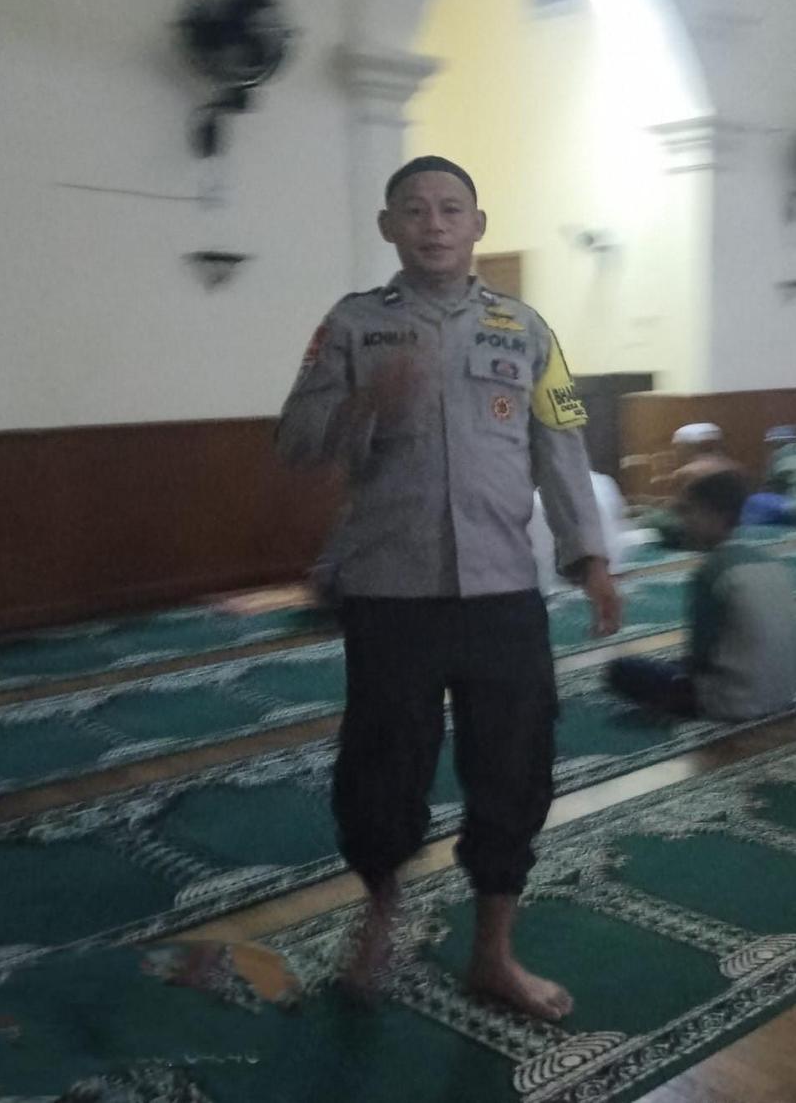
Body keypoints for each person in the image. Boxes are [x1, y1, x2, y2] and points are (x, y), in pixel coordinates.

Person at [276, 155, 621, 1021]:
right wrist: (365, 404)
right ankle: (379, 915)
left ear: (477, 225)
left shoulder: (528, 328)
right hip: (390, 591)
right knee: (381, 766)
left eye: (450, 209)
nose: (433, 224)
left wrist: (590, 557)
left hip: (503, 590)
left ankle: (493, 952)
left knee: (514, 766)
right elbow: (296, 439)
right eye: (415, 209)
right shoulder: (353, 325)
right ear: (389, 226)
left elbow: (563, 442)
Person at [605, 469, 796, 721]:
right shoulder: (771, 561)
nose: (683, 521)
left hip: (733, 701)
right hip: (785, 694)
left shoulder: (713, 571)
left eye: (690, 511)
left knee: (621, 670)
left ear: (716, 516)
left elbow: (701, 656)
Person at [529, 471, 632, 596]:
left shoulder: (537, 504)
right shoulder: (603, 483)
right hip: (609, 578)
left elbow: (544, 571)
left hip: (571, 584)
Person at [640, 422, 740, 548]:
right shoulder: (733, 468)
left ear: (687, 448)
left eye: (678, 448)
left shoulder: (686, 473)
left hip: (697, 534)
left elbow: (677, 509)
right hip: (726, 531)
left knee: (650, 520)